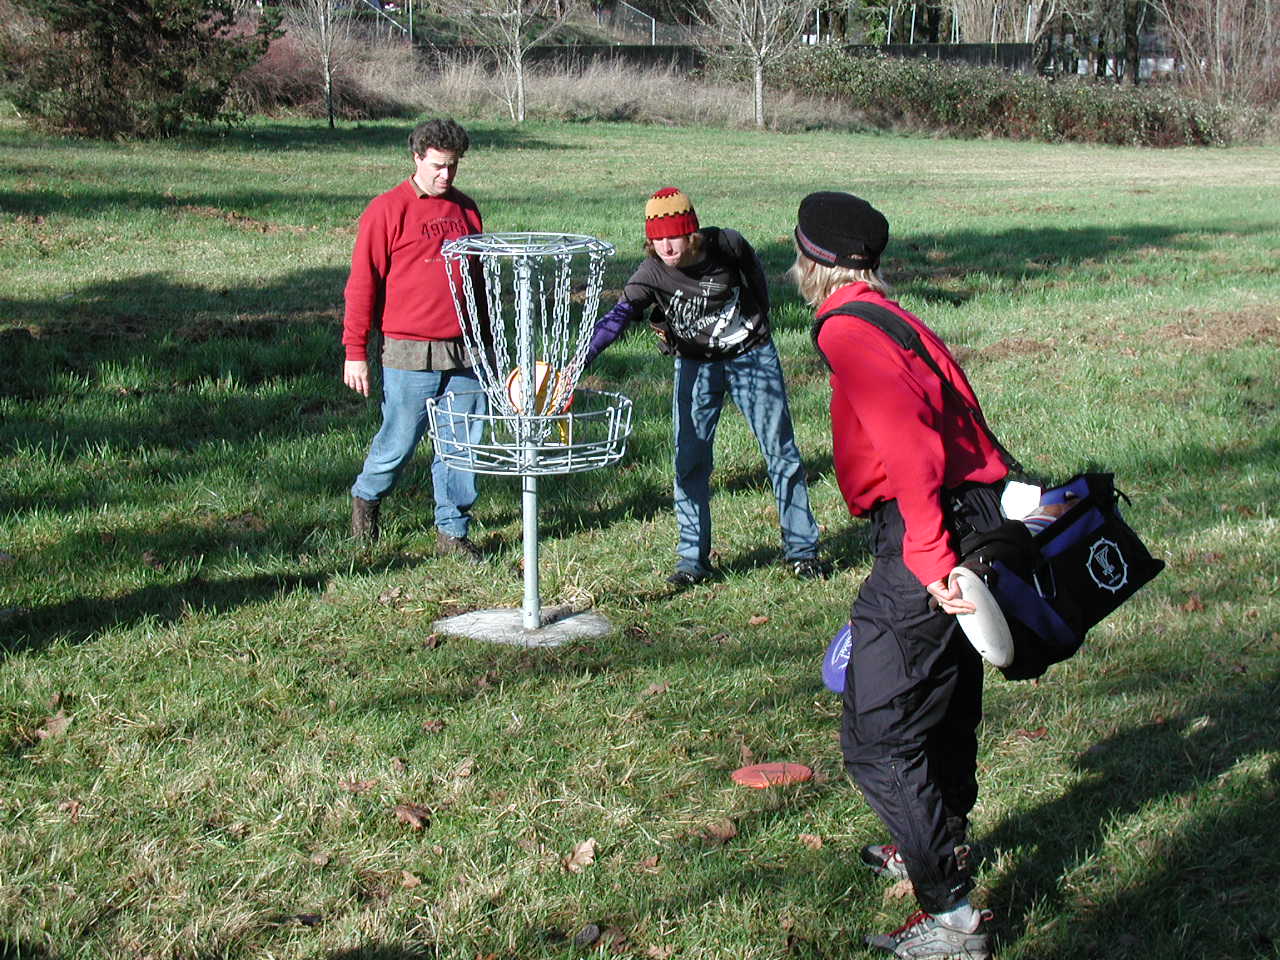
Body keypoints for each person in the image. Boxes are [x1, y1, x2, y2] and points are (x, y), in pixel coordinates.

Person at [790, 192, 1011, 960]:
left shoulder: (846, 327)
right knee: (943, 704)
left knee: (876, 736)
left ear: (809, 260)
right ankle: (935, 842)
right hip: (967, 515)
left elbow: (912, 444)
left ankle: (951, 919)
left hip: (924, 529)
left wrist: (929, 557)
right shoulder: (897, 318)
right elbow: (966, 415)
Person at [585, 187, 824, 586]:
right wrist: (575, 363)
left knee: (781, 452)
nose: (666, 246)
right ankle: (692, 561)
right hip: (696, 364)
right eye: (657, 239)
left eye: (673, 236)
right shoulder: (651, 273)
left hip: (751, 356)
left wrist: (760, 325)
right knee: (689, 461)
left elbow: (757, 279)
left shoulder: (727, 244)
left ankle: (802, 551)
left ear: (690, 232)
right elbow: (617, 319)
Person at [342, 117, 487, 560]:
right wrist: (355, 352)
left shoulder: (466, 211)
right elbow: (362, 284)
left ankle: (452, 531)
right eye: (439, 166)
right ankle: (366, 501)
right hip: (407, 349)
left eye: (454, 166)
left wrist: (487, 342)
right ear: (417, 157)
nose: (446, 175)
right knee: (400, 439)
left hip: (464, 350)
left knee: (462, 442)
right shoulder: (388, 210)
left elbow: (479, 282)